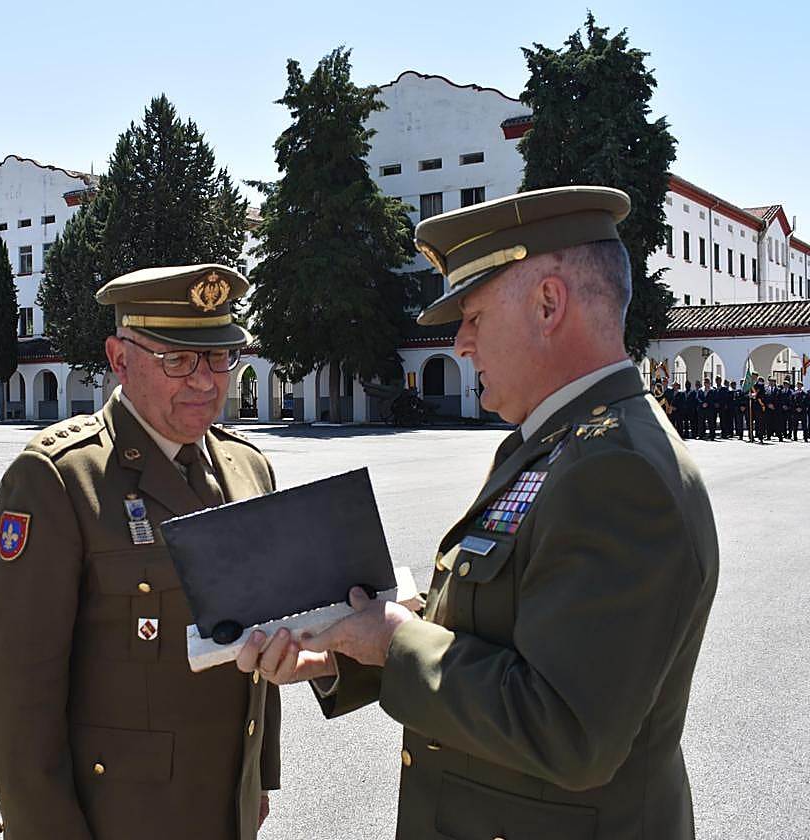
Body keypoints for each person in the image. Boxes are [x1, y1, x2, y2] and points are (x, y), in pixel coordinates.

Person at [240, 187, 718, 840]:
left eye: (475, 316)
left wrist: (389, 640)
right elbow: (495, 627)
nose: (460, 344)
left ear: (549, 303)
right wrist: (347, 647)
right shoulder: (556, 444)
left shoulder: (616, 469)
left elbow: (566, 728)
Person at [0, 264, 280, 839]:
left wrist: (257, 777)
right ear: (119, 359)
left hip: (226, 805)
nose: (205, 381)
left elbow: (252, 637)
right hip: (120, 816)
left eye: (219, 357)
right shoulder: (59, 480)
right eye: (177, 360)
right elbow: (17, 694)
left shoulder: (249, 468)